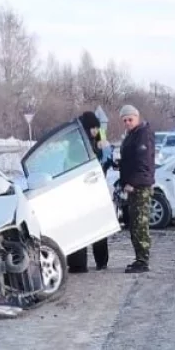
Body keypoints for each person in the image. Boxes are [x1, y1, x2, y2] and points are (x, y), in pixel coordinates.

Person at [67, 110, 112, 273]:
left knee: (98, 227)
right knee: (82, 227)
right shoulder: (77, 144)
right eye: (92, 128)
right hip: (82, 190)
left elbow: (106, 162)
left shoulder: (99, 140)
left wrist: (105, 151)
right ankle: (78, 264)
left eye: (96, 128)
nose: (94, 131)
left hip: (96, 189)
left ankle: (101, 261)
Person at [117, 104, 155, 273]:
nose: (127, 123)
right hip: (133, 186)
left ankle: (143, 260)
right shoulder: (132, 134)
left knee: (140, 225)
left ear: (137, 117)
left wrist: (132, 182)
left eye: (130, 119)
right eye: (124, 120)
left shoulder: (142, 135)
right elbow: (129, 160)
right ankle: (139, 258)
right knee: (134, 225)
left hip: (140, 186)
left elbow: (143, 163)